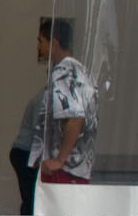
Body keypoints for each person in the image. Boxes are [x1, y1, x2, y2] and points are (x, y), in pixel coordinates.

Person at [30, 17, 97, 185]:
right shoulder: (81, 70)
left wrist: (60, 160)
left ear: (54, 42)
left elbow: (75, 117)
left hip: (64, 169)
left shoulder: (63, 71)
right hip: (77, 166)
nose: (38, 46)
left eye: (41, 41)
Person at [8, 82, 49, 216]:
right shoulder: (45, 99)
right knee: (32, 201)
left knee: (30, 201)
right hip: (26, 152)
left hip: (26, 152)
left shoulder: (44, 96)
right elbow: (41, 131)